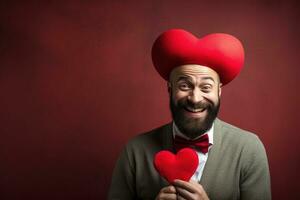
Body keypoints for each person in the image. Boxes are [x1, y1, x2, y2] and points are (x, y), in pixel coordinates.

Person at [108, 29, 271, 200]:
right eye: (184, 86)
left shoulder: (249, 150)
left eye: (206, 87)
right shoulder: (134, 151)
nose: (195, 98)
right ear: (169, 88)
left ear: (219, 91)